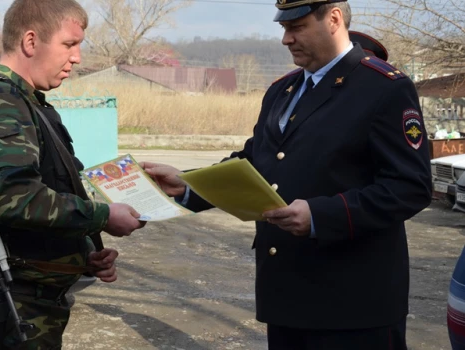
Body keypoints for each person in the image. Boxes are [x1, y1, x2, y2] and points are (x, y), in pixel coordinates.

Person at [142, 0, 432, 349]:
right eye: (284, 28)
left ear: (334, 19)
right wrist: (189, 184)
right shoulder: (284, 89)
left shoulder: (383, 87)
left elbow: (409, 186)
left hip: (353, 303)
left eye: (297, 27)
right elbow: (254, 162)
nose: (286, 39)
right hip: (286, 296)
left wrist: (319, 216)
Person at [0, 0, 144, 349]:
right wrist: (102, 216)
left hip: (28, 302)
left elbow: (47, 191)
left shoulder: (29, 103)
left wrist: (83, 254)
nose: (78, 57)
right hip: (7, 306)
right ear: (31, 42)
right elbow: (17, 200)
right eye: (69, 44)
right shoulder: (1, 102)